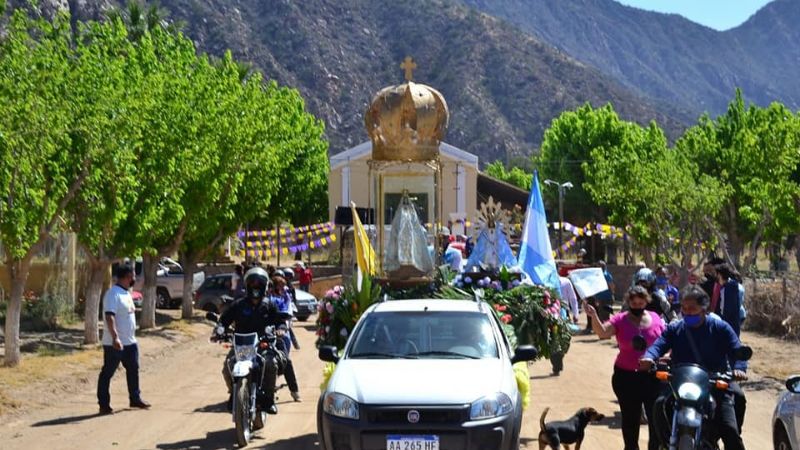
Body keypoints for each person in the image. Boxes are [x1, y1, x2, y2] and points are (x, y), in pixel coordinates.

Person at [639, 286, 747, 450]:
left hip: (714, 382)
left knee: (730, 427)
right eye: (684, 308)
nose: (687, 312)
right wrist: (649, 357)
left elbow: (737, 349)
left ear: (704, 308)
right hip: (680, 381)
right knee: (660, 404)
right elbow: (659, 344)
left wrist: (739, 368)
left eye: (692, 308)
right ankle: (662, 443)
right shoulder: (675, 329)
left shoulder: (720, 327)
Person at [585, 286, 665, 450]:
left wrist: (666, 356)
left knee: (655, 420)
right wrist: (594, 316)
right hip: (626, 378)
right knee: (630, 420)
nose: (637, 306)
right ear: (628, 302)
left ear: (646, 302)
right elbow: (602, 332)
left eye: (641, 303)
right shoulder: (620, 320)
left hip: (652, 377)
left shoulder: (656, 318)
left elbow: (665, 342)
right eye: (634, 303)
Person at [217, 267, 286, 414]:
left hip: (262, 345)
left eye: (259, 284)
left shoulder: (269, 305)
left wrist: (281, 329)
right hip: (242, 346)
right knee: (227, 366)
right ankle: (234, 393)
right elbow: (224, 320)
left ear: (264, 286)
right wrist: (219, 330)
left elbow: (280, 321)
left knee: (271, 364)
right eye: (253, 284)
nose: (256, 287)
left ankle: (268, 400)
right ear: (247, 286)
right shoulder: (238, 305)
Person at [97, 264, 150, 415]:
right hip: (115, 343)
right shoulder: (113, 294)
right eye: (133, 276)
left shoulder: (126, 293)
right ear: (127, 277)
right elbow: (109, 316)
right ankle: (104, 404)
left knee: (133, 370)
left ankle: (135, 398)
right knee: (108, 373)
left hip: (130, 342)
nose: (134, 278)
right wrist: (115, 338)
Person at [269, 276, 302, 402]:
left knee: (285, 360)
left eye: (283, 286)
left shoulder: (283, 298)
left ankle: (294, 391)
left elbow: (285, 314)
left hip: (278, 332)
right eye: (280, 286)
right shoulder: (263, 300)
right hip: (260, 335)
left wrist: (281, 328)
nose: (282, 288)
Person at [714, 263, 743, 336]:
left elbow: (726, 310)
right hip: (732, 322)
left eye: (717, 274)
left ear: (720, 275)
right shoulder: (730, 286)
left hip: (729, 323)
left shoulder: (728, 288)